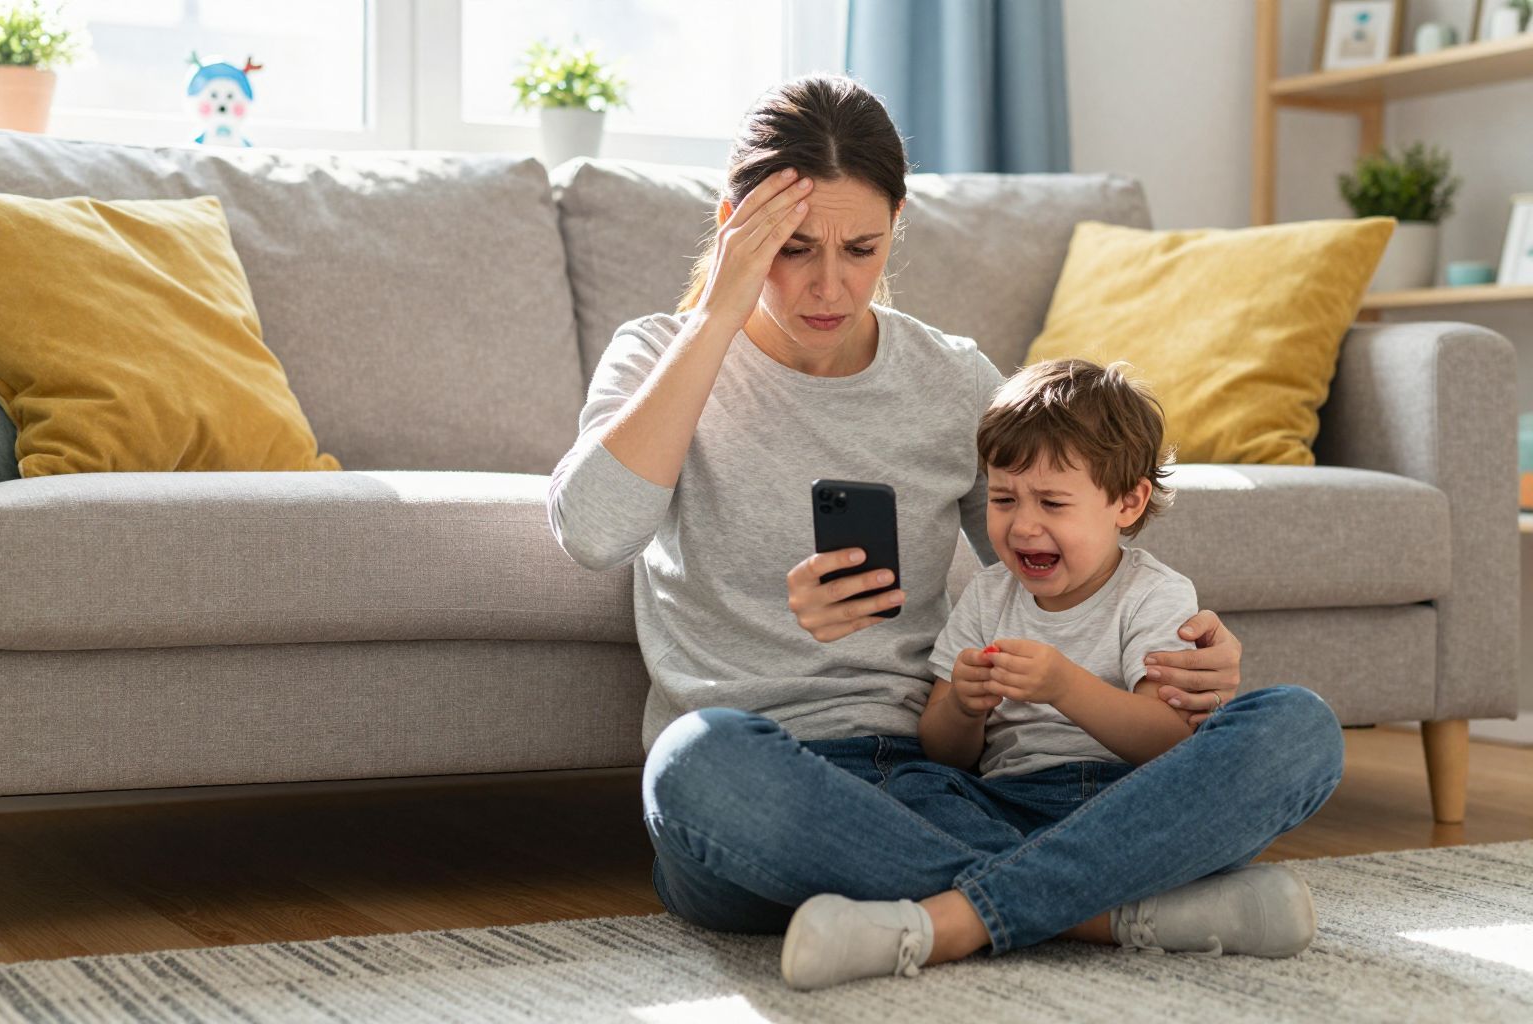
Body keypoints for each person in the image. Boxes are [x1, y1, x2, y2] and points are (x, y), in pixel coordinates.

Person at [545, 73, 1340, 989]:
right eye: (793, 247)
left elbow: (1066, 546)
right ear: (735, 225)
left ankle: (950, 916)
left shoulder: (950, 377)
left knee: (1296, 728)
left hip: (941, 779)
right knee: (693, 765)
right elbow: (591, 533)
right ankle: (1103, 907)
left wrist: (1187, 651)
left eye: (861, 247)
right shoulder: (658, 354)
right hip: (772, 791)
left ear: (898, 227)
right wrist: (721, 311)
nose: (828, 284)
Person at [779, 358, 1325, 990]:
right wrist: (964, 706)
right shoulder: (987, 596)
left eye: (1053, 503)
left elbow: (1168, 742)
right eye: (1004, 498)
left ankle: (957, 913)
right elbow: (945, 751)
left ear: (1128, 501)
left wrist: (1066, 686)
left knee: (1297, 722)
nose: (1023, 524)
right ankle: (1125, 908)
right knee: (911, 783)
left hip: (1124, 803)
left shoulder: (1153, 596)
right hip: (1008, 803)